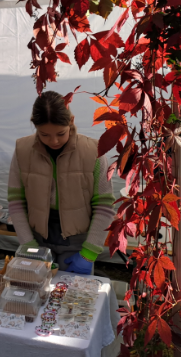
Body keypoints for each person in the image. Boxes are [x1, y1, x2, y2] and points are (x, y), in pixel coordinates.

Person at [7, 91, 116, 274]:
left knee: (73, 292)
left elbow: (104, 205)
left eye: (60, 133)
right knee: (37, 290)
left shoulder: (94, 152)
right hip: (37, 240)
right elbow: (16, 202)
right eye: (44, 134)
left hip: (78, 244)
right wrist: (28, 246)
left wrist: (89, 253)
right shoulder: (22, 151)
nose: (54, 141)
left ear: (71, 121)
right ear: (35, 126)